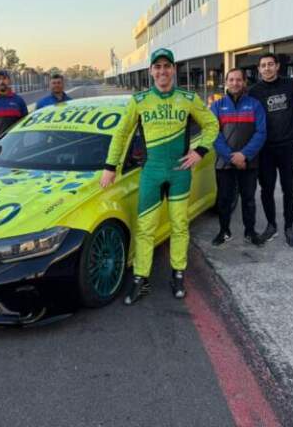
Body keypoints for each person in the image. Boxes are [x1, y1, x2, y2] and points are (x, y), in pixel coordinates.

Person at [100, 48, 218, 304]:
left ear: (173, 69)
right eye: (158, 66)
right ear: (151, 71)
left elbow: (212, 124)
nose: (162, 71)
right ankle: (140, 279)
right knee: (145, 228)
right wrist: (111, 167)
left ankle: (178, 274)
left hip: (179, 172)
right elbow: (121, 134)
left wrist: (199, 151)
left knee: (179, 225)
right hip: (152, 172)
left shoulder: (188, 98)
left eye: (167, 66)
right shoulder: (140, 101)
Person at [210, 68, 267, 246]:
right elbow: (214, 134)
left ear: (244, 82)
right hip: (224, 163)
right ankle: (224, 231)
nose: (235, 83)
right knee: (224, 200)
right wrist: (230, 156)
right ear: (226, 82)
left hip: (248, 163)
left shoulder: (255, 105)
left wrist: (244, 155)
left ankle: (250, 232)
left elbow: (261, 132)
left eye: (238, 80)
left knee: (249, 200)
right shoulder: (217, 106)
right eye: (231, 80)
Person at [249, 53, 293, 247]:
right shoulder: (253, 92)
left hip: (288, 147)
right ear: (259, 69)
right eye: (263, 65)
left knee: (290, 189)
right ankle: (271, 226)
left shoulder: (292, 85)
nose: (267, 68)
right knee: (266, 189)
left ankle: (289, 226)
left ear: (277, 66)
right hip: (265, 150)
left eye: (271, 64)